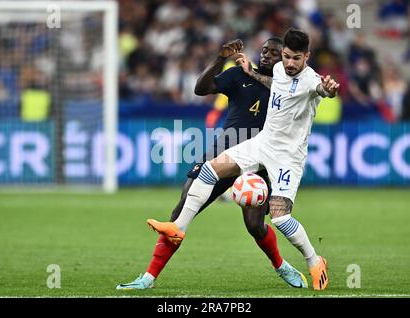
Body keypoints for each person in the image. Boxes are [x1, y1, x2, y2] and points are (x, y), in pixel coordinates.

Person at [148, 28, 339, 291]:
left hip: (287, 158)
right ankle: (178, 227)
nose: (289, 63)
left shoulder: (311, 80)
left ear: (307, 56)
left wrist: (329, 89)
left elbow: (322, 90)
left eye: (296, 58)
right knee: (209, 169)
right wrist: (251, 72)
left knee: (280, 219)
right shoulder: (281, 70)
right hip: (261, 143)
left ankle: (315, 260)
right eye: (285, 57)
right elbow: (277, 86)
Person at [116, 38, 308, 290]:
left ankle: (281, 265)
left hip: (260, 160)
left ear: (284, 57)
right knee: (180, 213)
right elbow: (201, 88)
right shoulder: (240, 73)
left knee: (255, 225)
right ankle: (148, 278)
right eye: (264, 51)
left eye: (274, 53)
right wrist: (220, 58)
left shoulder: (287, 85)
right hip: (224, 152)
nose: (267, 56)